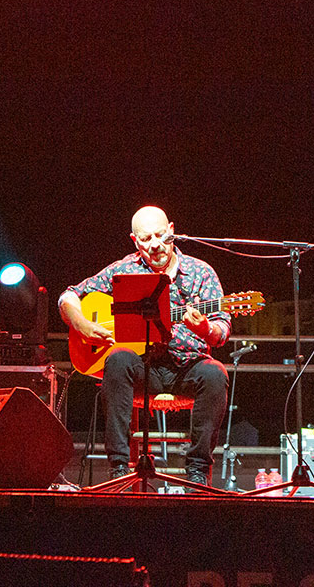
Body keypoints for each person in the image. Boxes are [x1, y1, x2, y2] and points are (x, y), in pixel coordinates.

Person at [59, 205, 230, 488]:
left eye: (161, 236)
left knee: (216, 374)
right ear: (134, 241)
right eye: (146, 238)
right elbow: (69, 296)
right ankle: (118, 468)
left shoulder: (201, 272)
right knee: (118, 359)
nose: (155, 244)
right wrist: (83, 325)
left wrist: (205, 329)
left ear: (172, 231)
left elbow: (221, 330)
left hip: (187, 368)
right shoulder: (124, 270)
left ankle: (198, 471)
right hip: (142, 369)